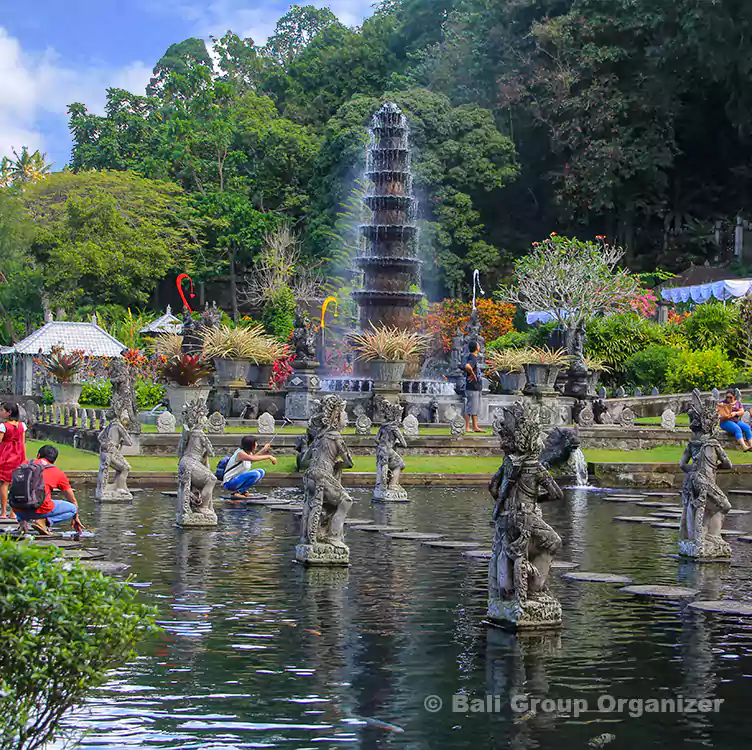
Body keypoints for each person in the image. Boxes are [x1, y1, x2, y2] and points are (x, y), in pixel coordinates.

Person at [13, 444, 84, 535]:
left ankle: (23, 524)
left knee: (23, 494)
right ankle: (44, 521)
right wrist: (76, 517)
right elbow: (72, 499)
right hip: (38, 510)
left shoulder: (24, 464)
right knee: (72, 509)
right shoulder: (57, 472)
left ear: (38, 455)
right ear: (54, 460)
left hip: (18, 510)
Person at [0, 402, 27, 519]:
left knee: (4, 483)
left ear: (9, 412)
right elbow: (22, 441)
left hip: (6, 456)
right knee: (15, 484)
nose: (1, 413)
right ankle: (14, 512)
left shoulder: (3, 426)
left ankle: (4, 511)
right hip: (19, 455)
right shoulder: (22, 425)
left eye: (2, 410)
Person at [463, 339, 484, 433]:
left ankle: (475, 426)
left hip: (475, 387)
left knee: (474, 407)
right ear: (476, 348)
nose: (479, 346)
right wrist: (472, 373)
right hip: (472, 388)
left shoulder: (472, 357)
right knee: (470, 406)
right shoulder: (473, 358)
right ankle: (467, 427)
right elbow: (467, 366)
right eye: (478, 345)